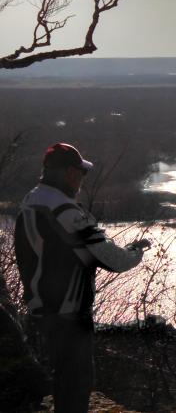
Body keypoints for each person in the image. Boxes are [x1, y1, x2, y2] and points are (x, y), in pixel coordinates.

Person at [13, 143, 150, 412]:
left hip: (40, 307)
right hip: (69, 313)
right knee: (76, 382)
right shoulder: (66, 213)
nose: (82, 178)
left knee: (61, 377)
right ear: (67, 173)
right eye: (80, 172)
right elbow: (112, 259)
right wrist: (136, 249)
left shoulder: (32, 200)